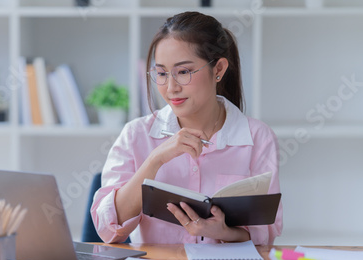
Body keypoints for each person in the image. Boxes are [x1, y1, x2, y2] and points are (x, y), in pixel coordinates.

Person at [91, 11, 282, 245]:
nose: (171, 87)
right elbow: (108, 230)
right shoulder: (135, 135)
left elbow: (266, 235)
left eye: (183, 72)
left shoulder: (258, 138)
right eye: (161, 73)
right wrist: (154, 161)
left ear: (219, 69)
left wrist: (223, 231)